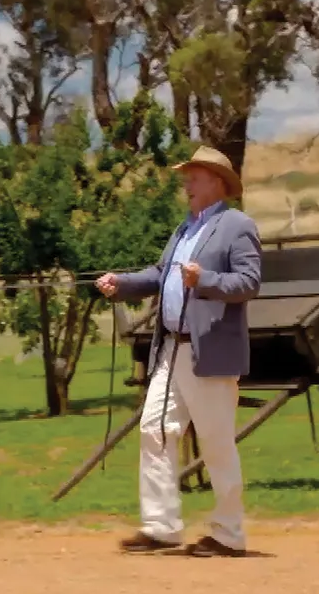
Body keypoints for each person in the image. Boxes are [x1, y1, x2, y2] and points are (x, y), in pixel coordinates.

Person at [95, 146, 262, 558]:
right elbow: (160, 274)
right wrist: (124, 283)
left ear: (217, 183)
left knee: (215, 441)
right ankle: (161, 526)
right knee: (154, 429)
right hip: (170, 348)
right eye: (186, 176)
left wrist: (205, 279)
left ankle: (229, 533)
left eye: (194, 177)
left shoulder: (237, 226)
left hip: (209, 351)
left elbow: (248, 282)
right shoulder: (184, 229)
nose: (186, 184)